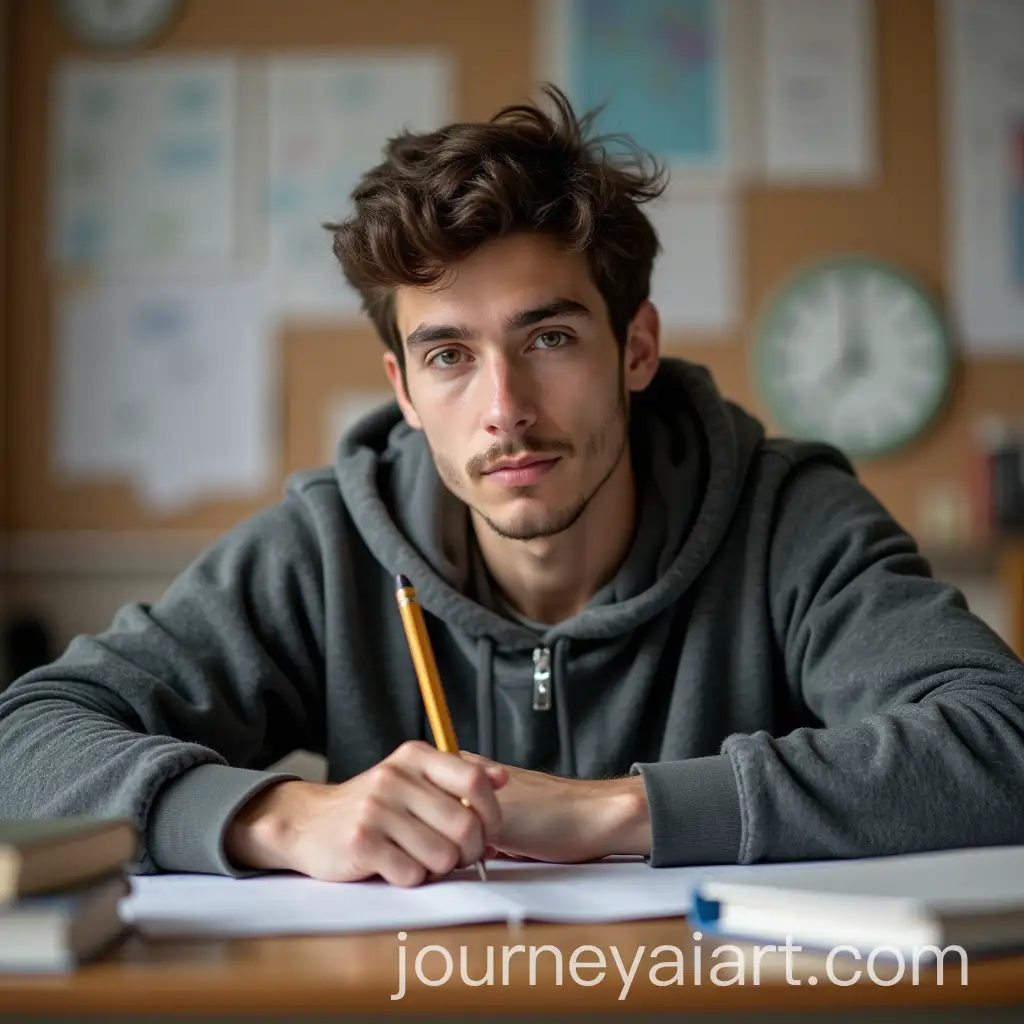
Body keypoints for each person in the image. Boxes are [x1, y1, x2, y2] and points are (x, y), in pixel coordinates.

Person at [2, 87, 1023, 888]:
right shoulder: (325, 547)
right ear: (401, 386)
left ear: (637, 347)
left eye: (549, 338)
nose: (505, 407)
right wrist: (271, 816)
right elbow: (26, 738)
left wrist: (612, 811)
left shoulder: (786, 517)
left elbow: (999, 742)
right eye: (449, 355)